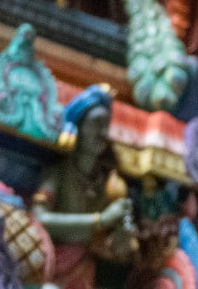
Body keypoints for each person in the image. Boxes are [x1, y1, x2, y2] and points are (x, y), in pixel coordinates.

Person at [33, 85, 136, 288]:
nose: (103, 133)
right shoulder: (59, 173)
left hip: (84, 271)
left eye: (106, 125)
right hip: (50, 264)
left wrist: (123, 231)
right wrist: (99, 220)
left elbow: (116, 249)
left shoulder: (107, 185)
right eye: (96, 123)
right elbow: (39, 218)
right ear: (77, 127)